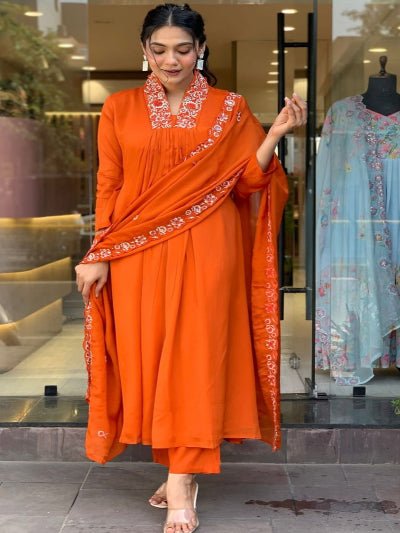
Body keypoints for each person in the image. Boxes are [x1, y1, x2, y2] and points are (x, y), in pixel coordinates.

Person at [75, 3, 306, 532]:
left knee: (195, 359)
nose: (170, 60)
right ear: (144, 51)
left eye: (182, 49)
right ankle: (178, 466)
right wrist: (99, 252)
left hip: (207, 247)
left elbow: (248, 184)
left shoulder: (230, 108)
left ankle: (182, 479)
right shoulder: (119, 108)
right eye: (159, 50)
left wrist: (272, 136)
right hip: (137, 253)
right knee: (151, 360)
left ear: (200, 49)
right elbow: (109, 185)